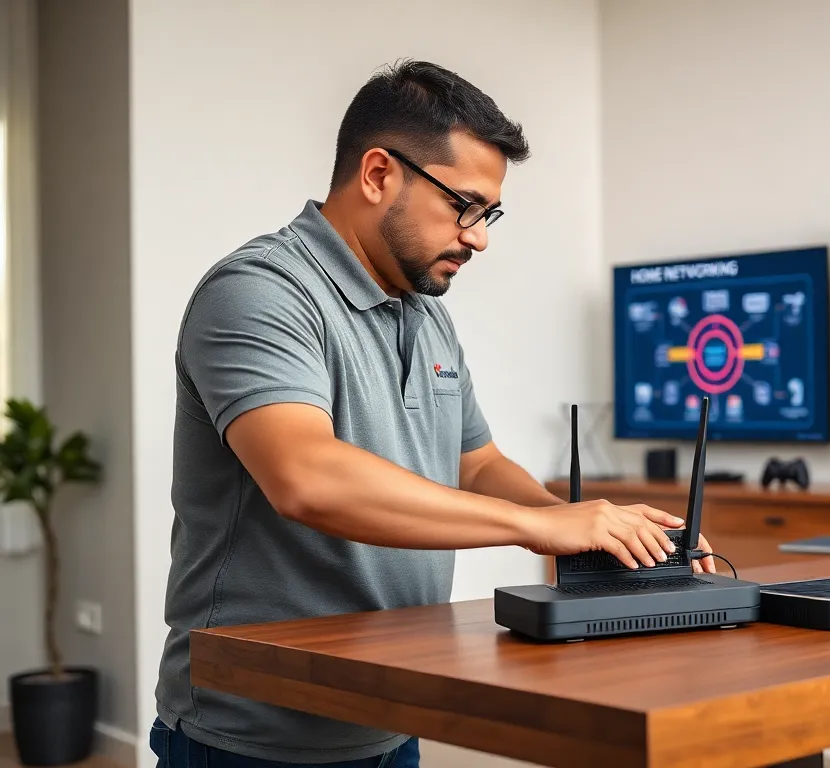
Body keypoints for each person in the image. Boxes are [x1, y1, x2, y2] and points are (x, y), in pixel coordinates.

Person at [148, 59, 714, 767]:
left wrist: (570, 528)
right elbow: (305, 476)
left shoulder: (425, 314)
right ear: (379, 173)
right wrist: (538, 523)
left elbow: (474, 461)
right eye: (465, 206)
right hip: (255, 732)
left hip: (390, 708)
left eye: (490, 215)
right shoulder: (258, 292)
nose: (479, 237)